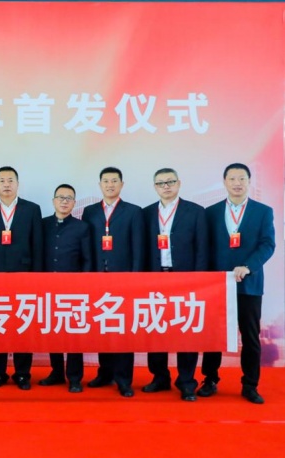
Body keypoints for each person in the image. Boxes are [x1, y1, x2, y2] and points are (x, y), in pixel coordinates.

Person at [199, 163, 275, 404]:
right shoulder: (210, 212)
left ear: (249, 181)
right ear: (225, 182)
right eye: (232, 178)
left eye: (242, 178)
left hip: (248, 284)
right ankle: (210, 379)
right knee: (214, 334)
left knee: (250, 336)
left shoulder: (263, 211)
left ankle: (250, 385)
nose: (237, 183)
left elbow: (267, 244)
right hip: (217, 285)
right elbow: (205, 246)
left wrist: (248, 266)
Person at [142, 168, 208, 402]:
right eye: (161, 183)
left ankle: (186, 381)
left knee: (186, 329)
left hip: (185, 278)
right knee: (155, 327)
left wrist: (199, 280)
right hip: (155, 277)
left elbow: (202, 249)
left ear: (179, 183)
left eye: (170, 182)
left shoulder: (196, 211)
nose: (166, 186)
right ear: (155, 187)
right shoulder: (146, 213)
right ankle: (159, 377)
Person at [81, 167, 144, 398]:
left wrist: (135, 277)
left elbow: (138, 247)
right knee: (103, 326)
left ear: (121, 184)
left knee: (123, 330)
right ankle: (105, 373)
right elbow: (86, 245)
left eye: (114, 181)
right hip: (98, 279)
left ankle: (124, 379)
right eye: (106, 181)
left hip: (124, 279)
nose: (110, 185)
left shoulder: (133, 211)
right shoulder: (89, 211)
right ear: (100, 185)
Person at [0, 166, 43, 390]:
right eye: (2, 181)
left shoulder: (31, 209)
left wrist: (36, 278)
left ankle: (23, 373)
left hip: (24, 277)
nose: (6, 184)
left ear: (17, 183)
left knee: (23, 325)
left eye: (10, 180)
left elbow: (37, 245)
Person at [38, 184, 92, 393]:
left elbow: (87, 259)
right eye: (60, 197)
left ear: (74, 203)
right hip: (47, 288)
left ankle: (75, 377)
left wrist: (84, 285)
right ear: (53, 201)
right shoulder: (42, 225)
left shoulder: (82, 227)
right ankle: (57, 372)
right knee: (53, 333)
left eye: (69, 198)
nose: (64, 201)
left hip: (73, 291)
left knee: (73, 336)